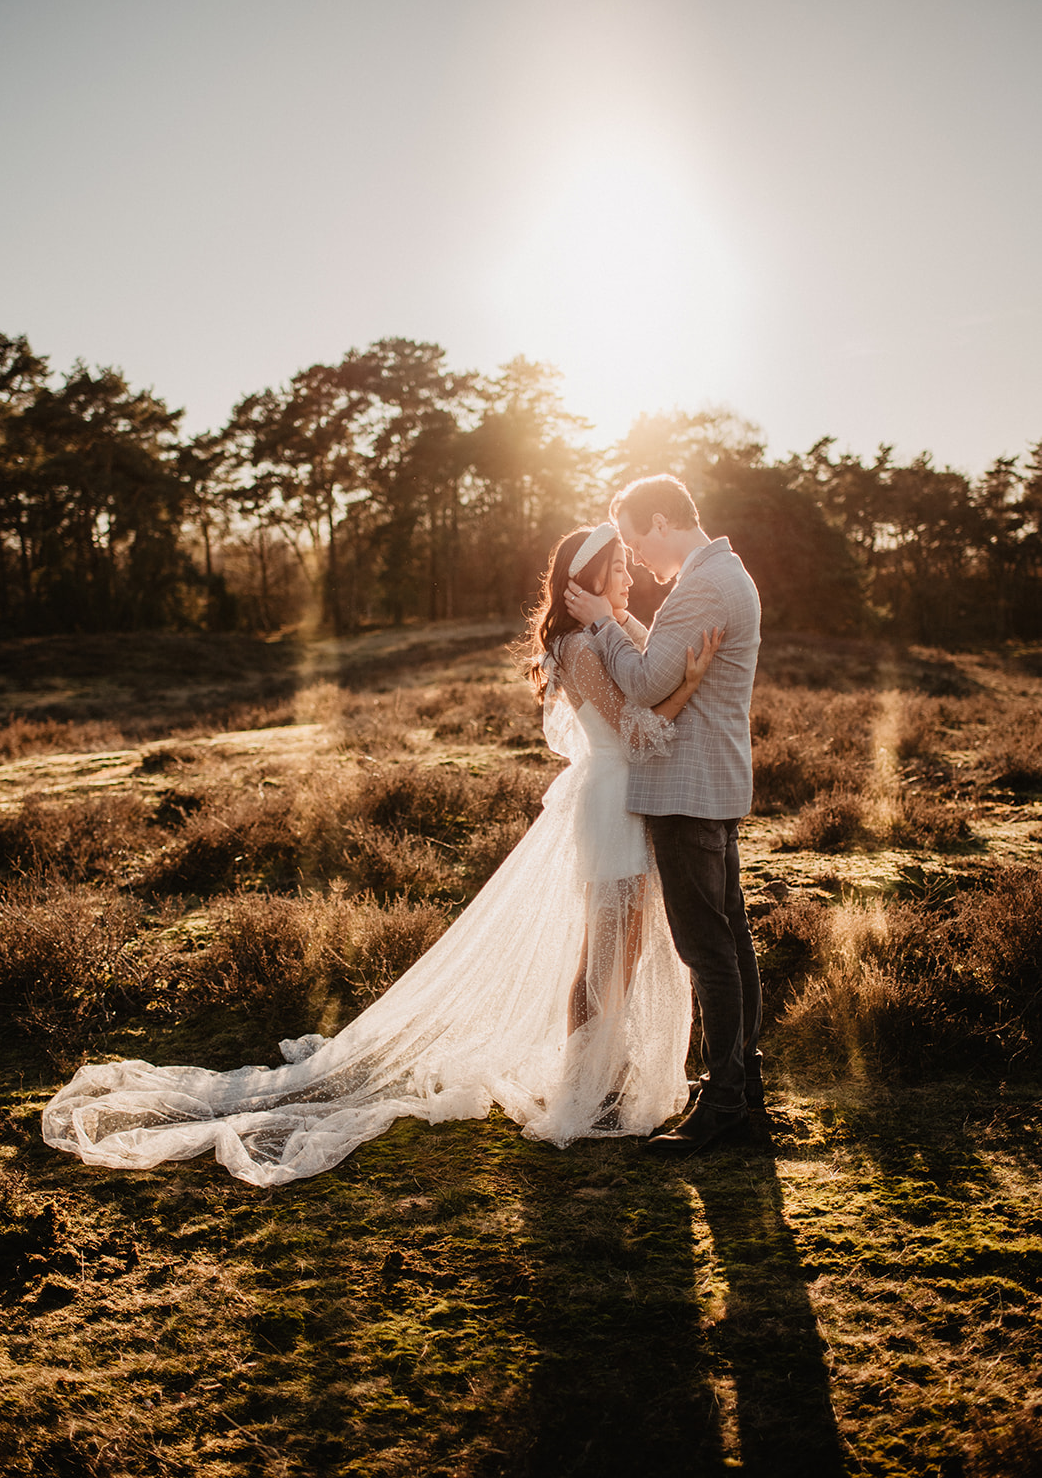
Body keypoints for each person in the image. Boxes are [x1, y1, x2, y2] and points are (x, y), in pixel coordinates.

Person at [42, 524, 720, 1188]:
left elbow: (638, 679)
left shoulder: (602, 631)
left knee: (624, 948)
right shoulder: (578, 646)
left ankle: (605, 1074)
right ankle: (581, 1090)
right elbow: (633, 733)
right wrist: (689, 684)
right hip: (610, 803)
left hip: (622, 801)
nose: (631, 576)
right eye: (621, 566)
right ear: (594, 574)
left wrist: (636, 635)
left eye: (633, 566)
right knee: (602, 950)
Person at [565, 474, 762, 1158]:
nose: (638, 563)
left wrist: (602, 621)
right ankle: (740, 1092)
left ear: (658, 520)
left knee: (710, 951)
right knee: (727, 943)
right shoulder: (721, 572)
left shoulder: (704, 582)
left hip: (687, 788)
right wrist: (614, 626)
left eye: (636, 543)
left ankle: (727, 1103)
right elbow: (652, 673)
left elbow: (646, 682)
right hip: (703, 785)